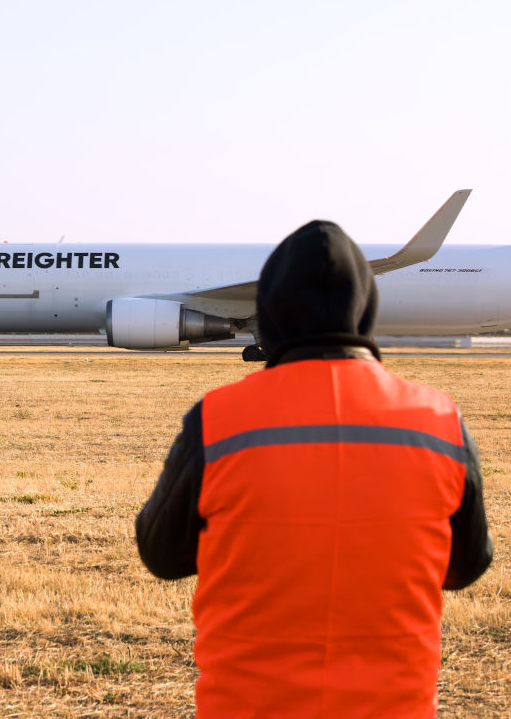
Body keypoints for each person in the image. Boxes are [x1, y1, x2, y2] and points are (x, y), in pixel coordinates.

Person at [136, 219, 492, 718]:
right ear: (366, 308)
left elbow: (162, 555)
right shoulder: (439, 421)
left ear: (271, 311)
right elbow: (466, 567)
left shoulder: (219, 420)